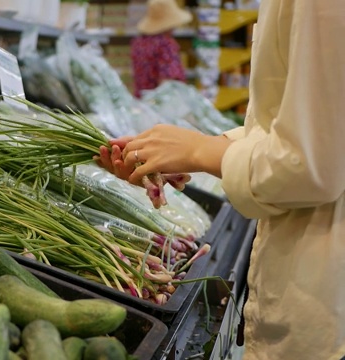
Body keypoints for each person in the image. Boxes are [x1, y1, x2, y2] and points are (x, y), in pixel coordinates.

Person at [97, 0, 345, 358]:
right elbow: (303, 125)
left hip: (323, 298)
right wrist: (201, 149)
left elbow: (312, 163)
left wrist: (200, 151)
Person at [130, 0, 192, 98]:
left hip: (141, 102)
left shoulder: (138, 43)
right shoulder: (166, 45)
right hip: (159, 106)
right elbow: (167, 81)